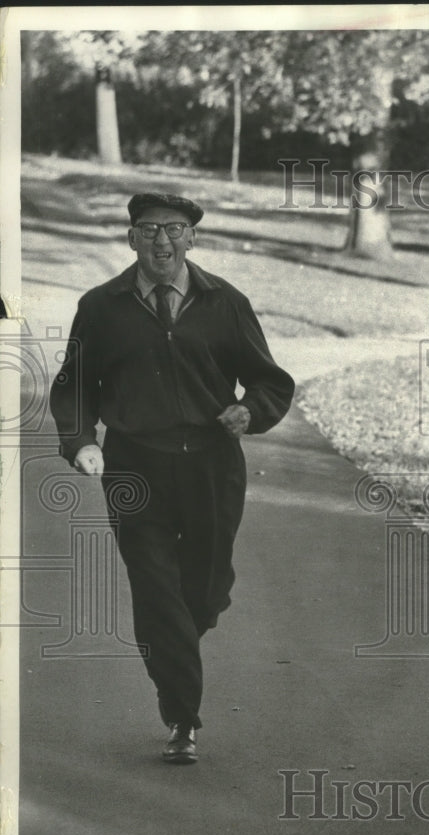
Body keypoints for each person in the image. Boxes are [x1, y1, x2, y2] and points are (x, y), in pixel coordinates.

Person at [50, 192, 295, 764]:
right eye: (150, 230)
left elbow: (270, 381)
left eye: (175, 229)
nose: (163, 241)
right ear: (131, 238)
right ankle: (182, 717)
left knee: (203, 593)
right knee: (157, 589)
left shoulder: (225, 303)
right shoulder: (102, 307)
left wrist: (249, 411)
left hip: (212, 464)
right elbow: (75, 385)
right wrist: (81, 441)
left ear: (193, 238)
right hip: (137, 466)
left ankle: (178, 645)